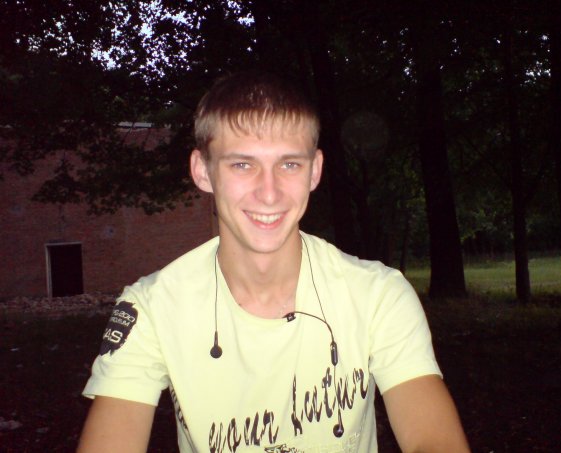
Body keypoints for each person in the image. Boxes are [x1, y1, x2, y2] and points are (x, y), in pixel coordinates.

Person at [77, 71, 470, 453]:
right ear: (202, 171)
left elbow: (433, 440)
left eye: (289, 164)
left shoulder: (378, 295)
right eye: (242, 164)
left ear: (315, 171)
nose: (269, 193)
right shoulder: (151, 308)